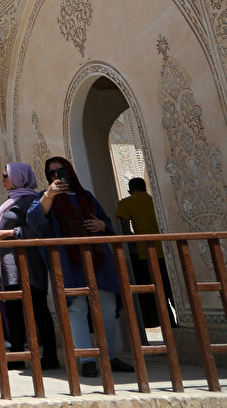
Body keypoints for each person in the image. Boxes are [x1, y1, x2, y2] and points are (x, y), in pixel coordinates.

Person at [28, 156, 133, 378]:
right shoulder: (46, 198)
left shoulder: (86, 197)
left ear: (70, 172)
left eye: (61, 171)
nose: (57, 176)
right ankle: (86, 360)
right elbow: (35, 221)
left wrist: (101, 225)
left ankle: (110, 356)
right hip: (69, 261)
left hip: (98, 259)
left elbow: (106, 222)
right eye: (52, 173)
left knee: (107, 308)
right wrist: (50, 194)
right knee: (77, 308)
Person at [0, 163, 59, 369]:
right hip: (11, 264)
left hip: (29, 264)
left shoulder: (31, 200)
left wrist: (8, 234)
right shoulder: (13, 200)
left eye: (6, 176)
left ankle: (50, 355)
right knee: (14, 310)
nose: (3, 180)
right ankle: (17, 356)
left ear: (18, 178)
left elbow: (38, 230)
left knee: (38, 308)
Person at [116, 177, 177, 330]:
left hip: (144, 255)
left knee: (156, 294)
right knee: (172, 291)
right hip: (166, 254)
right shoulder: (156, 201)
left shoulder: (126, 203)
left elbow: (125, 231)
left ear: (130, 191)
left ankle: (170, 327)